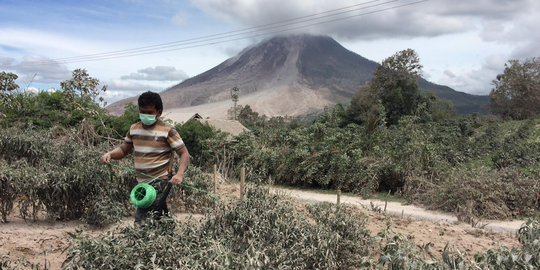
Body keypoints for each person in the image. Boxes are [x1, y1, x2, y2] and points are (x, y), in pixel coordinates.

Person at [100, 91, 189, 226]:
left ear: (158, 112)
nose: (145, 115)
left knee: (143, 218)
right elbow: (123, 149)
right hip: (142, 181)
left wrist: (179, 174)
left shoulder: (168, 130)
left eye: (149, 112)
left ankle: (140, 238)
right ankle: (169, 235)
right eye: (143, 112)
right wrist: (110, 154)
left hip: (160, 180)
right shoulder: (134, 129)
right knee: (159, 214)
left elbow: (184, 153)